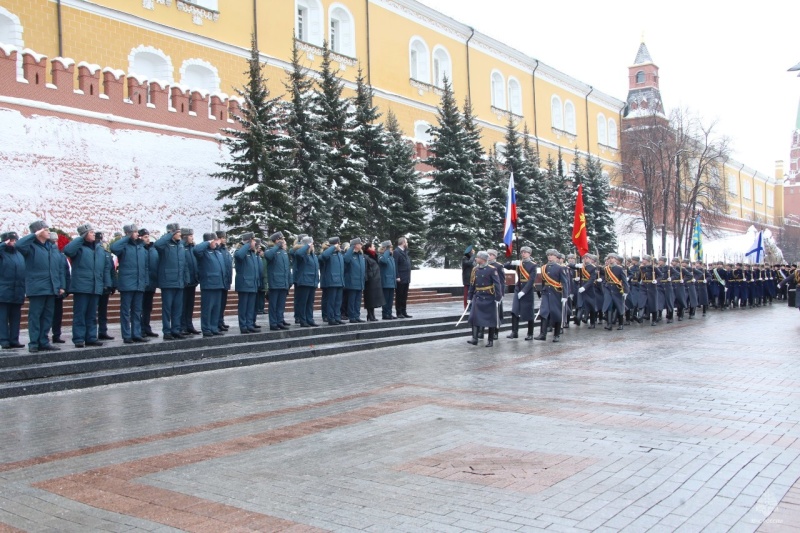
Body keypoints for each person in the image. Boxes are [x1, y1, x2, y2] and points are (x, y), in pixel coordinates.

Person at [16, 221, 65, 352]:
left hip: (51, 287)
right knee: (35, 316)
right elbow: (19, 245)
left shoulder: (51, 247)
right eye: (46, 229)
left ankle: (44, 341)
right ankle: (34, 343)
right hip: (37, 288)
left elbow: (57, 267)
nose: (49, 232)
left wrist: (59, 285)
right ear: (38, 231)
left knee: (48, 316)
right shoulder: (30, 246)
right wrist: (33, 235)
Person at [63, 224, 111, 348]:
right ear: (84, 235)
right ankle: (79, 338)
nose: (94, 234)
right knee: (80, 314)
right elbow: (67, 251)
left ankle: (91, 337)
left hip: (96, 286)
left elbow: (104, 268)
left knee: (91, 315)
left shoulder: (99, 248)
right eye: (90, 232)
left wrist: (105, 284)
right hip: (81, 286)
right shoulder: (79, 248)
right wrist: (81, 238)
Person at [111, 224, 150, 344]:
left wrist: (145, 281)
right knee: (125, 311)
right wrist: (127, 238)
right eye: (135, 232)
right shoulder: (124, 246)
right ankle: (127, 335)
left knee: (137, 311)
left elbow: (145, 267)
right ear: (128, 233)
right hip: (127, 284)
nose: (138, 234)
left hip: (139, 284)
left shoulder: (141, 248)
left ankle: (136, 333)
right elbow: (113, 248)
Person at [155, 223, 188, 340]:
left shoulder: (180, 245)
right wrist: (169, 234)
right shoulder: (165, 244)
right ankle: (167, 331)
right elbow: (157, 245)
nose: (180, 235)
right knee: (167, 309)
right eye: (178, 232)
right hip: (168, 281)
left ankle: (176, 329)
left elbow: (184, 263)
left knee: (177, 309)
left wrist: (185, 278)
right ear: (172, 233)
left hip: (179, 282)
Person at [466, 251, 503, 347]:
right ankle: (474, 338)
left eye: (477, 257)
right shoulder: (475, 269)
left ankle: (490, 340)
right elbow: (472, 284)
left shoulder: (492, 269)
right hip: (478, 296)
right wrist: (469, 297)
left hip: (489, 297)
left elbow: (497, 284)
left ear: (482, 259)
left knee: (491, 319)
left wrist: (498, 297)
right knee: (474, 317)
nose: (476, 259)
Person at [194, 232, 227, 337]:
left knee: (216, 308)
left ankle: (214, 327)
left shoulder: (217, 252)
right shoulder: (203, 252)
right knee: (207, 308)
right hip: (208, 285)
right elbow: (196, 250)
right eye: (214, 240)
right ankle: (206, 328)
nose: (217, 242)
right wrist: (207, 242)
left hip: (219, 284)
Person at [534, 249, 570, 342]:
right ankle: (543, 334)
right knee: (543, 312)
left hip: (556, 293)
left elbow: (565, 282)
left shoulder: (560, 268)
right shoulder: (543, 267)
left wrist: (565, 296)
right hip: (546, 293)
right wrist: (541, 291)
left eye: (552, 255)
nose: (550, 256)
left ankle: (556, 335)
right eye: (548, 255)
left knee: (556, 313)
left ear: (556, 257)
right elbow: (543, 281)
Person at [504, 246, 537, 340]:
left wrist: (524, 291)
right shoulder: (519, 264)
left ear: (529, 254)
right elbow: (505, 266)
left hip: (527, 290)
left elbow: (531, 280)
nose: (523, 254)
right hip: (518, 288)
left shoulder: (533, 265)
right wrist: (512, 262)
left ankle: (530, 333)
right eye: (522, 252)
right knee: (514, 310)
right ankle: (514, 332)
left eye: (525, 252)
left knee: (529, 312)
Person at [0, 231, 26, 349]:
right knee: (2, 318)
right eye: (11, 240)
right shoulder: (2, 253)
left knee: (15, 318)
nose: (13, 242)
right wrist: (2, 244)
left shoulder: (19, 254)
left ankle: (14, 339)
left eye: (15, 240)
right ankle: (4, 340)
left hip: (18, 291)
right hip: (3, 291)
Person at [264, 231, 292, 331]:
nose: (283, 241)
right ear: (276, 240)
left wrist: (289, 281)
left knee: (281, 305)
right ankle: (273, 323)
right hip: (275, 283)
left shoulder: (284, 252)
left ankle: (280, 321)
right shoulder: (271, 250)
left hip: (283, 283)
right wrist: (277, 246)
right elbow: (268, 256)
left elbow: (287, 268)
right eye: (282, 239)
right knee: (273, 305)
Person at [234, 232, 260, 333]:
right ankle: (243, 325)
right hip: (244, 284)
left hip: (252, 284)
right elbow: (239, 256)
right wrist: (247, 245)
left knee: (250, 307)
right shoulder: (240, 250)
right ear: (249, 241)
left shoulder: (252, 253)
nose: (255, 243)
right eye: (253, 241)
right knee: (243, 307)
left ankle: (249, 324)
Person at [293, 235, 320, 327]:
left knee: (310, 302)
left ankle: (310, 319)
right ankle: (302, 319)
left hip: (312, 281)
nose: (312, 246)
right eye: (311, 244)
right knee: (303, 302)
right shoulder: (301, 254)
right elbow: (298, 253)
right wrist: (307, 246)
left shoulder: (313, 255)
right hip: (304, 281)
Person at [50, 232, 70, 344]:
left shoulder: (61, 256)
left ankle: (56, 335)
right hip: (49, 290)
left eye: (56, 241)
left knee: (57, 315)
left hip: (59, 290)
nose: (55, 243)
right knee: (46, 315)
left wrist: (65, 288)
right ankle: (42, 337)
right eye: (53, 241)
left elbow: (66, 272)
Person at [95, 232, 116, 341]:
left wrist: (112, 285)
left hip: (106, 286)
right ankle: (92, 333)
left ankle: (103, 331)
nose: (100, 242)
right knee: (93, 312)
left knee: (103, 311)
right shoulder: (94, 252)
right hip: (95, 286)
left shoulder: (107, 254)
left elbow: (112, 270)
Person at [601, 253, 630, 331]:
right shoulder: (606, 268)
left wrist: (626, 291)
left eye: (612, 258)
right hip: (608, 289)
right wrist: (603, 284)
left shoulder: (620, 268)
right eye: (609, 258)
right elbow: (604, 278)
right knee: (609, 305)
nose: (610, 259)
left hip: (617, 289)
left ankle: (621, 324)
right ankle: (609, 324)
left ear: (616, 260)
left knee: (619, 306)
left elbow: (624, 280)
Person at [320, 236, 345, 325]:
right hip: (331, 281)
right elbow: (324, 256)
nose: (339, 246)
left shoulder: (339, 254)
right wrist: (333, 247)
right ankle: (331, 318)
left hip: (339, 281)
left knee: (338, 301)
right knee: (331, 301)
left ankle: (337, 317)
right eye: (338, 244)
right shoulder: (328, 253)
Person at [139, 228, 159, 337]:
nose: (148, 239)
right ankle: (140, 328)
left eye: (148, 236)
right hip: (141, 283)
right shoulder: (139, 248)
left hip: (151, 283)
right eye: (145, 237)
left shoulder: (153, 249)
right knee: (140, 307)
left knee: (148, 307)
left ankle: (147, 327)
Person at [180, 228, 200, 335]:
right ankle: (182, 326)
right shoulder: (182, 247)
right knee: (183, 305)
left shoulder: (193, 248)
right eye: (191, 235)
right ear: (185, 236)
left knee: (190, 305)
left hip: (193, 281)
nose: (192, 237)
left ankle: (189, 324)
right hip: (184, 282)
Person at [343, 237, 366, 323]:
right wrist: (351, 248)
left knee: (358, 301)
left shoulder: (360, 255)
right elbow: (346, 259)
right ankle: (352, 316)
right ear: (356, 245)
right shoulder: (350, 255)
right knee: (351, 301)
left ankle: (357, 315)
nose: (361, 245)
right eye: (360, 244)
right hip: (352, 282)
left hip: (360, 282)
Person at [575, 254, 600, 329]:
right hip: (581, 287)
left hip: (589, 289)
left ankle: (592, 323)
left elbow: (592, 280)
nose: (585, 259)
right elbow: (570, 265)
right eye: (584, 258)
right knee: (580, 303)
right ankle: (578, 318)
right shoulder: (581, 266)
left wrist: (584, 287)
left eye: (587, 258)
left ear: (590, 259)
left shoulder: (593, 268)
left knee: (591, 305)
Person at [363, 241, 384, 322]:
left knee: (374, 299)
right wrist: (368, 277)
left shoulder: (375, 255)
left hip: (375, 279)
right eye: (373, 246)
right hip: (369, 280)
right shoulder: (366, 256)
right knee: (369, 298)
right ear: (369, 248)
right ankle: (370, 314)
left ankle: (372, 315)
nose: (374, 247)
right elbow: (366, 268)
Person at [486, 249, 505, 340]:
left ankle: (496, 332)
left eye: (491, 254)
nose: (489, 256)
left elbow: (501, 281)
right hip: (487, 293)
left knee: (496, 314)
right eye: (488, 254)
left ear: (495, 256)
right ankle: (481, 332)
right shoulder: (483, 265)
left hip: (496, 293)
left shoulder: (498, 266)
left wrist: (501, 294)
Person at [216, 230, 232, 331]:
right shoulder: (217, 250)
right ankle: (217, 322)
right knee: (218, 304)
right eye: (222, 238)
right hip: (219, 281)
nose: (224, 239)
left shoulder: (225, 250)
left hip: (225, 280)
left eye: (224, 237)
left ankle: (221, 321)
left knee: (222, 304)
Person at [378, 240, 396, 320]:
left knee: (390, 300)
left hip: (391, 281)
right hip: (385, 281)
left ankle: (389, 313)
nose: (391, 249)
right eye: (390, 247)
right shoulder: (381, 256)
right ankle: (385, 314)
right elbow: (383, 261)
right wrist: (387, 252)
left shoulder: (391, 257)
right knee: (385, 299)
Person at [394, 237, 412, 318]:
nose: (407, 244)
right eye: (406, 242)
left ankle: (404, 311)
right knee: (399, 295)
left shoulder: (405, 252)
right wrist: (397, 276)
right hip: (400, 278)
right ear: (403, 243)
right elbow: (395, 265)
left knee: (404, 296)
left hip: (406, 277)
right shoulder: (397, 252)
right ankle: (399, 312)